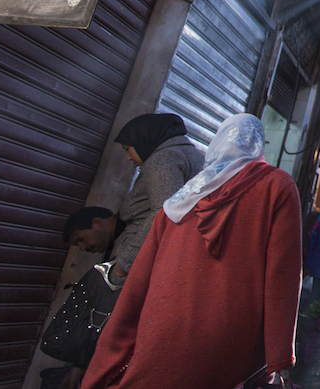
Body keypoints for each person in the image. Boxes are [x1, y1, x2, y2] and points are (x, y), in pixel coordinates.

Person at [82, 113, 303, 389]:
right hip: (231, 342)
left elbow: (136, 287)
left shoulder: (179, 201)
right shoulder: (277, 186)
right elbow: (283, 275)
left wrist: (103, 367)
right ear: (258, 146)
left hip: (161, 332)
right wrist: (279, 356)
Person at [107, 113, 204, 285]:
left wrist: (124, 264)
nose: (129, 157)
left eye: (127, 149)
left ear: (143, 138)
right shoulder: (196, 157)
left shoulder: (162, 160)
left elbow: (163, 212)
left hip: (142, 264)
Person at [41, 210, 126, 389]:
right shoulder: (113, 251)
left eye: (80, 239)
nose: (82, 247)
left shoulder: (127, 244)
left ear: (98, 222)